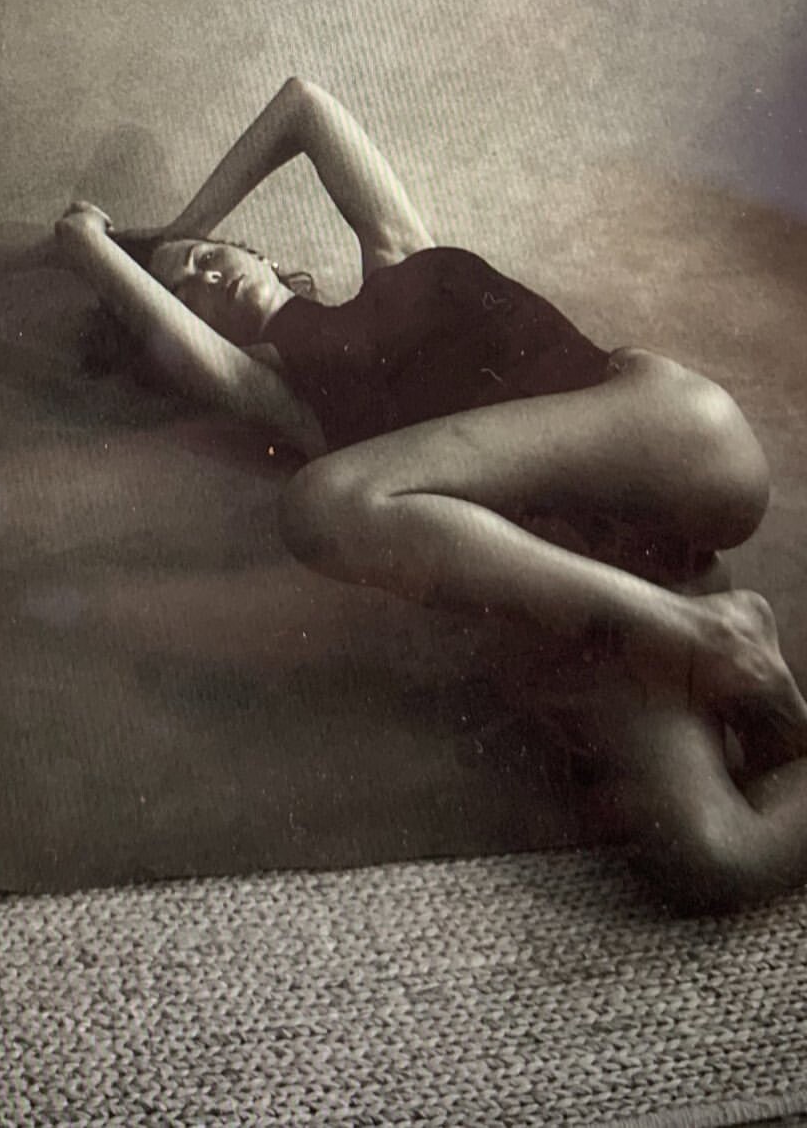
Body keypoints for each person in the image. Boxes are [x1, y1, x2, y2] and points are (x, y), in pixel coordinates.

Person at [56, 74, 807, 912]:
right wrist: (89, 248)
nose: (205, 272)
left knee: (323, 501)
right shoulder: (290, 401)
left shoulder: (399, 253)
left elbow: (303, 106)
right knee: (715, 855)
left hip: (677, 449)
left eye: (211, 255)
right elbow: (206, 365)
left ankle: (696, 636)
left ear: (259, 254)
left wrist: (175, 231)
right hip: (631, 577)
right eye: (183, 287)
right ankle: (709, 633)